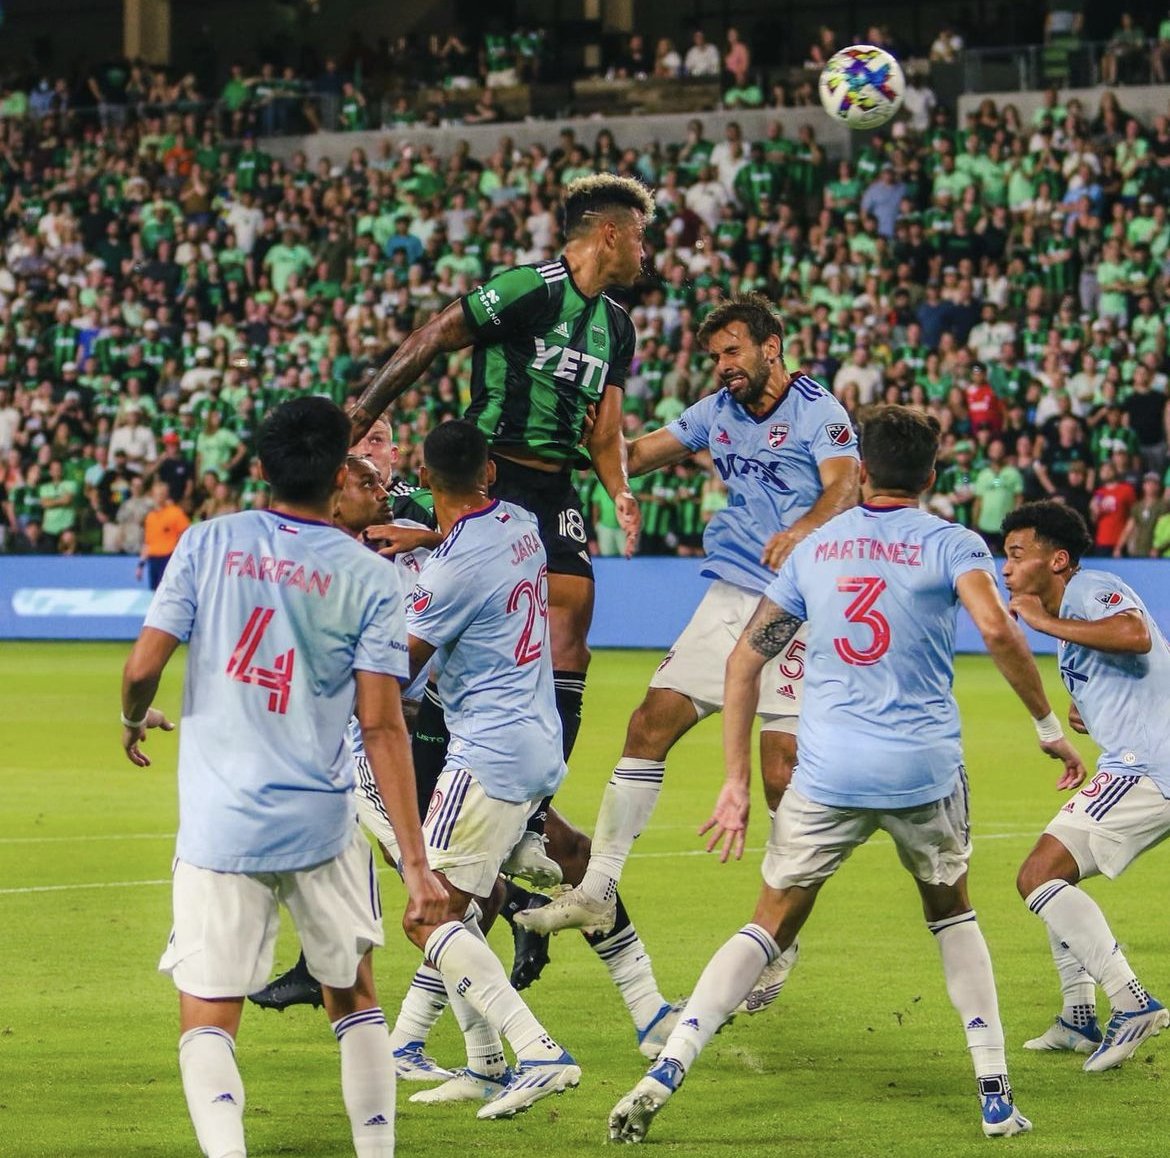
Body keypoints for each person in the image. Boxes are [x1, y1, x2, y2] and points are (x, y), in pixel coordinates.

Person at [608, 405, 1087, 1144]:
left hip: (827, 773)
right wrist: (1048, 728)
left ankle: (666, 1068)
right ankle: (994, 1091)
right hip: (921, 771)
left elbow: (745, 659)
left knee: (769, 922)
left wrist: (735, 779)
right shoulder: (951, 542)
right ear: (931, 477)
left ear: (862, 470)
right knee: (951, 912)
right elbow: (996, 629)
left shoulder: (817, 549)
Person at [119, 396, 446, 1158]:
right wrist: (417, 860)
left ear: (261, 468)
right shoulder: (369, 576)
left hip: (219, 827)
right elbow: (382, 722)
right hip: (322, 824)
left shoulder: (205, 544)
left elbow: (141, 670)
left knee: (208, 1015)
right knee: (354, 998)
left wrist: (137, 716)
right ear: (338, 474)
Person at [518, 294, 860, 1017]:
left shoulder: (817, 409)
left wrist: (801, 530)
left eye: (733, 351)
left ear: (773, 346)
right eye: (714, 357)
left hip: (801, 603)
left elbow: (846, 485)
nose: (722, 367)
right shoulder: (715, 410)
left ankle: (781, 932)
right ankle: (597, 887)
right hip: (733, 595)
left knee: (779, 771)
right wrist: (588, 428)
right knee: (649, 723)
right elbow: (635, 456)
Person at [349, 174, 648, 785]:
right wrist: (357, 416)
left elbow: (604, 432)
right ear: (610, 234)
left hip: (557, 489)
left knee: (572, 635)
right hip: (492, 475)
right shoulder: (528, 289)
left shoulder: (617, 325)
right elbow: (431, 338)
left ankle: (533, 816)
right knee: (449, 644)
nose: (647, 253)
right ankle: (421, 772)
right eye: (641, 237)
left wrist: (618, 489)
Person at [397, 419, 581, 1118]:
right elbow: (472, 543)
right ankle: (485, 1066)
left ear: (425, 477)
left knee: (427, 911)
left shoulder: (447, 572)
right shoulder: (523, 524)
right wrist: (429, 540)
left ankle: (538, 1051)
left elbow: (400, 669)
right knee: (468, 906)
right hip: (538, 741)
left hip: (488, 750)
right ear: (491, 473)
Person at [1002, 501, 1170, 1071]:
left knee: (1038, 876)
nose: (1007, 568)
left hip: (1148, 766)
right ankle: (1078, 1017)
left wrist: (1042, 621)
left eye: (1017, 554)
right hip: (1132, 762)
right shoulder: (1074, 623)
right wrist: (1086, 708)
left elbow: (1135, 633)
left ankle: (1133, 1003)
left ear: (1058, 559)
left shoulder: (1090, 585)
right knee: (1053, 875)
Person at [137, 479, 191, 588]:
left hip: (169, 558)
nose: (159, 497)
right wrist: (141, 564)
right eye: (156, 494)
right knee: (155, 592)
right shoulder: (150, 517)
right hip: (153, 560)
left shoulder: (175, 513)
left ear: (166, 495)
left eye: (162, 494)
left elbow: (187, 533)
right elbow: (148, 543)